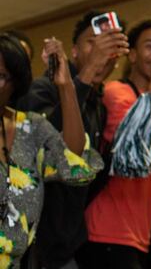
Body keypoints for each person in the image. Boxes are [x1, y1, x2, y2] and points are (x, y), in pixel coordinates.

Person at [18, 11, 128, 269]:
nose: (102, 51)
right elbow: (41, 146)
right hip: (32, 242)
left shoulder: (98, 106)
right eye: (93, 42)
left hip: (66, 244)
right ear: (74, 50)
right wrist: (87, 74)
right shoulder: (43, 88)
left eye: (110, 44)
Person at [79, 18, 151, 269]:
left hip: (141, 236)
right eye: (150, 47)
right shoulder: (116, 92)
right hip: (105, 230)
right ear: (132, 55)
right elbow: (132, 149)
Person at [0, 34, 102, 268]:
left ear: (15, 82)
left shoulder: (30, 128)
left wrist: (66, 86)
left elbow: (74, 161)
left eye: (1, 76)